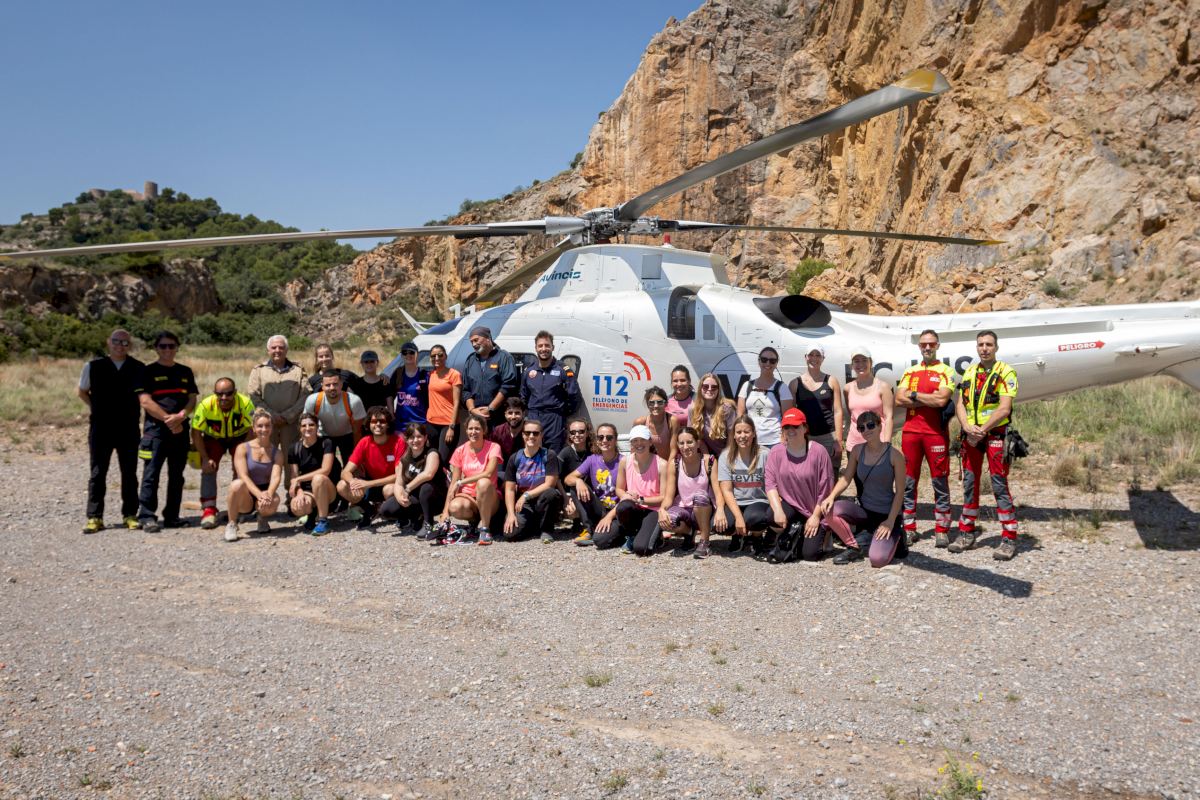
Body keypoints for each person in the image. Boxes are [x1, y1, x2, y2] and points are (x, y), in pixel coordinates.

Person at [952, 330, 1021, 561]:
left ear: (996, 348)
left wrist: (981, 430)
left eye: (989, 344)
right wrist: (966, 426)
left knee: (999, 484)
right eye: (981, 344)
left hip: (994, 435)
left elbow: (1004, 408)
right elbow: (960, 404)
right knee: (969, 483)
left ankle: (1009, 538)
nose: (984, 348)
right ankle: (966, 532)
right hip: (971, 435)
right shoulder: (970, 372)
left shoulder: (1006, 372)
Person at [818, 410, 908, 567]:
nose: (866, 430)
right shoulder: (857, 451)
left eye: (870, 425)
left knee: (877, 560)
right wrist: (831, 497)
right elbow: (846, 478)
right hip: (865, 512)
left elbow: (900, 492)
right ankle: (854, 547)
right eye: (861, 428)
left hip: (887, 514)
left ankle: (897, 535)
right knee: (829, 509)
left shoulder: (895, 455)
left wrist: (890, 521)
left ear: (880, 426)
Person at [79, 328, 146, 533]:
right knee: (98, 472)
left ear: (130, 346)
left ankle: (130, 515)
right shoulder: (92, 366)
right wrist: (96, 408)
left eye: (125, 343)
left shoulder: (139, 367)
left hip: (128, 428)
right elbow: (82, 392)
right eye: (116, 341)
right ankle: (95, 517)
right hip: (101, 428)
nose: (120, 346)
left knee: (129, 472)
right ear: (109, 342)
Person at [894, 330, 955, 546]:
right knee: (909, 482)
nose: (927, 348)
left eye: (931, 344)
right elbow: (898, 399)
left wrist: (913, 396)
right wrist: (926, 398)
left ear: (937, 345)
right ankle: (909, 528)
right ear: (919, 347)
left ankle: (942, 529)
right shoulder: (910, 371)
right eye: (923, 344)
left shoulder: (946, 371)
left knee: (940, 481)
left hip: (935, 434)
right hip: (911, 433)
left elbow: (941, 401)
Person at [136, 330, 198, 532]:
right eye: (163, 346)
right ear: (156, 348)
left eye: (171, 346)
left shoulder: (185, 371)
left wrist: (182, 416)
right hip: (156, 433)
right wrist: (169, 420)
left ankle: (172, 516)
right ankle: (146, 516)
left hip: (180, 432)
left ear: (177, 348)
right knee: (151, 474)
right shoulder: (147, 371)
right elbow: (145, 401)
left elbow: (192, 399)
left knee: (177, 476)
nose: (167, 349)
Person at [765, 408, 834, 561]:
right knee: (771, 515)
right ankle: (794, 531)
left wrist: (816, 516)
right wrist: (778, 510)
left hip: (815, 508)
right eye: (786, 427)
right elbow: (770, 484)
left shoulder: (819, 452)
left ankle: (825, 533)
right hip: (792, 505)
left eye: (795, 426)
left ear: (804, 428)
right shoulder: (776, 452)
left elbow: (826, 490)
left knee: (810, 555)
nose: (791, 430)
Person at [191, 378, 256, 529]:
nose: (224, 397)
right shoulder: (205, 405)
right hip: (214, 438)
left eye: (228, 393)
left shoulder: (246, 403)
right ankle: (209, 510)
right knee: (208, 467)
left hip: (239, 437)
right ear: (214, 393)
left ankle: (239, 508)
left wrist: (241, 454)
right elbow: (195, 432)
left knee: (241, 469)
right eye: (219, 394)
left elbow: (252, 430)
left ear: (235, 392)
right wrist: (205, 458)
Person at [337, 405, 407, 530]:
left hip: (390, 484)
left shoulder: (398, 441)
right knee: (342, 485)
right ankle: (369, 510)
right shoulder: (365, 442)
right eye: (374, 421)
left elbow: (399, 476)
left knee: (389, 489)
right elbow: (345, 472)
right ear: (369, 424)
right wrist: (352, 482)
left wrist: (368, 484)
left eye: (382, 421)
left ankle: (398, 513)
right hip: (370, 486)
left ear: (388, 424)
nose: (378, 424)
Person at [438, 416, 503, 546]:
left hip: (489, 497)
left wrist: (462, 482)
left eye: (477, 429)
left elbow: (488, 473)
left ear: (484, 430)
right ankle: (473, 523)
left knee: (483, 482)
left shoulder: (493, 447)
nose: (474, 432)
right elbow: (454, 482)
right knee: (455, 507)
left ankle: (485, 529)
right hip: (469, 497)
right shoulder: (460, 450)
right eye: (471, 428)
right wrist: (445, 512)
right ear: (466, 430)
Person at [714, 415, 774, 555]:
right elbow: (727, 491)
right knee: (722, 525)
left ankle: (756, 537)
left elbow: (772, 484)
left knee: (755, 519)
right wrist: (738, 517)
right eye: (739, 432)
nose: (742, 436)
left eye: (746, 432)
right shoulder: (726, 456)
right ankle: (738, 535)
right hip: (736, 501)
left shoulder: (765, 454)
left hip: (758, 501)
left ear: (753, 434)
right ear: (734, 435)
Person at [223, 409, 285, 542]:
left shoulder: (277, 453)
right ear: (253, 428)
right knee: (236, 484)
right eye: (260, 426)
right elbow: (243, 475)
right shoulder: (243, 448)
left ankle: (262, 518)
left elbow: (276, 477)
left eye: (267, 425)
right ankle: (232, 524)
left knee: (275, 500)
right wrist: (259, 495)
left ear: (272, 428)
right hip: (246, 494)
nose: (264, 429)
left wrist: (269, 494)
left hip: (264, 495)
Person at [378, 422, 446, 539]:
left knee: (426, 488)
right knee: (386, 510)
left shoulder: (432, 453)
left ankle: (428, 524)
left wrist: (407, 488)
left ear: (425, 437)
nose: (415, 440)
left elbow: (428, 474)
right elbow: (399, 483)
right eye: (411, 437)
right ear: (406, 439)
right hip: (415, 497)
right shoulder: (404, 458)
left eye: (419, 436)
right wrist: (400, 498)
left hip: (435, 498)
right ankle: (416, 518)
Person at [657, 427, 716, 559]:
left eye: (689, 442)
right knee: (668, 520)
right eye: (681, 443)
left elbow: (718, 492)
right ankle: (689, 533)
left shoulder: (709, 461)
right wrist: (662, 510)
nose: (685, 447)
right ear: (677, 445)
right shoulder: (675, 463)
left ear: (698, 443)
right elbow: (669, 496)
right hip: (685, 508)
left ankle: (705, 541)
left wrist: (721, 510)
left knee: (700, 496)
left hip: (704, 509)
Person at [501, 419, 562, 543]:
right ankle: (533, 525)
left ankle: (546, 529)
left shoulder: (549, 455)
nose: (531, 436)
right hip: (524, 505)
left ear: (541, 435)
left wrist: (526, 495)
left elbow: (550, 484)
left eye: (535, 433)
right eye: (528, 433)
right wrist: (511, 514)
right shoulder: (515, 458)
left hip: (542, 499)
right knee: (510, 534)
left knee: (552, 493)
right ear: (523, 435)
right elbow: (510, 489)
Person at [520, 330, 580, 452]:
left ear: (553, 347)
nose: (544, 349)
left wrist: (563, 413)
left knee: (553, 455)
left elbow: (574, 395)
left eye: (547, 345)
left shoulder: (563, 370)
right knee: (533, 453)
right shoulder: (528, 371)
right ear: (536, 348)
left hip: (554, 420)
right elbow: (523, 395)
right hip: (533, 417)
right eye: (540, 346)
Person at [247, 334, 309, 454]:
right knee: (266, 457)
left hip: (291, 423)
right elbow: (254, 396)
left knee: (290, 459)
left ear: (286, 350)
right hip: (267, 424)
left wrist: (287, 416)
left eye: (281, 347)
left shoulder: (298, 370)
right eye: (274, 347)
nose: (277, 350)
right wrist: (272, 416)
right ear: (268, 350)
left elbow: (305, 395)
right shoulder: (258, 370)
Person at [612, 425, 667, 555]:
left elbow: (664, 497)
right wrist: (626, 495)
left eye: (643, 440)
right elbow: (619, 489)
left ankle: (658, 537)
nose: (639, 443)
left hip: (653, 510)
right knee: (623, 507)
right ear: (631, 443)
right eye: (635, 440)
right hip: (634, 508)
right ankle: (631, 534)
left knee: (641, 549)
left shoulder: (662, 464)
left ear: (650, 442)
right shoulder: (625, 461)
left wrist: (640, 500)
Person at [788, 345, 844, 469]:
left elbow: (838, 411)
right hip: (805, 438)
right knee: (806, 474)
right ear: (805, 357)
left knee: (830, 476)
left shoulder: (831, 381)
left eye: (818, 355)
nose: (814, 358)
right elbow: (792, 415)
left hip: (829, 437)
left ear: (823, 358)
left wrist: (838, 440)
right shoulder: (794, 384)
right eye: (811, 355)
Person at [567, 422, 622, 547]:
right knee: (576, 487)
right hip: (600, 508)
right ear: (596, 440)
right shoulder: (592, 459)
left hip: (617, 511)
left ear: (615, 439)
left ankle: (617, 533)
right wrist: (579, 481)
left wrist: (610, 517)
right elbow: (568, 478)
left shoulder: (623, 462)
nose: (604, 441)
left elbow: (628, 497)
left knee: (600, 541)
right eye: (600, 437)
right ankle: (589, 530)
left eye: (609, 437)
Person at [286, 412, 337, 536]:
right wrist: (299, 492)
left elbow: (326, 470)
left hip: (327, 490)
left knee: (318, 478)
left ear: (317, 427)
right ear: (299, 428)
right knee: (298, 507)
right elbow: (294, 476)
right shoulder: (294, 448)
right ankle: (311, 514)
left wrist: (299, 479)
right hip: (308, 491)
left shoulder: (326, 443)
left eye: (311, 425)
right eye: (304, 426)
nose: (307, 428)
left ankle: (323, 521)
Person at [304, 369, 367, 468]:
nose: (332, 388)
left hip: (348, 435)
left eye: (335, 384)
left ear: (341, 384)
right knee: (327, 468)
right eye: (328, 385)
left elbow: (357, 431)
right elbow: (306, 425)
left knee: (352, 468)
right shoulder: (313, 400)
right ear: (322, 386)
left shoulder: (353, 401)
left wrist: (356, 454)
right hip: (325, 436)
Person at [462, 325, 519, 431]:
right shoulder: (470, 360)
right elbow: (466, 390)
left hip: (499, 418)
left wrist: (490, 409)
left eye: (476, 340)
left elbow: (508, 386)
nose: (474, 344)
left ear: (488, 338)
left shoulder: (504, 357)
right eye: (471, 342)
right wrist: (472, 409)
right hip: (477, 419)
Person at [737, 347, 794, 449]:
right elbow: (740, 415)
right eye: (764, 359)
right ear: (759, 361)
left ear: (776, 364)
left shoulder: (782, 387)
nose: (768, 363)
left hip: (775, 442)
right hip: (750, 441)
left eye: (772, 361)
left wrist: (784, 437)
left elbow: (788, 418)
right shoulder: (747, 386)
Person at [844, 347, 894, 454]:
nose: (860, 364)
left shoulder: (883, 387)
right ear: (852, 365)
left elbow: (889, 417)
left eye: (864, 360)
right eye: (856, 361)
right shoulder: (848, 388)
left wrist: (886, 444)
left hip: (878, 445)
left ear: (871, 363)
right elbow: (852, 414)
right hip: (854, 446)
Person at [425, 343, 462, 466]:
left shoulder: (454, 374)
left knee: (442, 461)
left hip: (448, 424)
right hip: (431, 423)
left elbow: (457, 402)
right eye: (433, 356)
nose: (437, 358)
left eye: (440, 355)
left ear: (446, 356)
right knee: (431, 459)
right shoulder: (430, 375)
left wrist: (452, 427)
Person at [558, 419, 594, 535]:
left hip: (591, 492)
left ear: (587, 433)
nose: (577, 435)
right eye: (573, 432)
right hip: (571, 494)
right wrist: (565, 498)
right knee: (572, 511)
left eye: (581, 431)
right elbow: (556, 478)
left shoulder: (593, 451)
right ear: (569, 435)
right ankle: (577, 522)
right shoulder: (565, 453)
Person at [689, 372, 736, 456]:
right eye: (705, 386)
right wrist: (706, 454)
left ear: (718, 390)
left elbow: (731, 437)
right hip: (703, 454)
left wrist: (725, 457)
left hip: (725, 454)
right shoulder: (693, 409)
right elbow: (692, 436)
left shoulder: (727, 408)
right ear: (700, 388)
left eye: (714, 387)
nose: (710, 389)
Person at [632, 386, 679, 461]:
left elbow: (674, 449)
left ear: (666, 404)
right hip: (645, 465)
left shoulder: (672, 421)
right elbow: (633, 448)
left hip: (667, 463)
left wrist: (668, 466)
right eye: (651, 403)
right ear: (648, 405)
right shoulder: (640, 423)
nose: (656, 406)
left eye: (660, 402)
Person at [353, 349, 396, 420]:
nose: (369, 364)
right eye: (366, 362)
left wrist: (391, 420)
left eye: (372, 361)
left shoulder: (385, 383)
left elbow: (390, 407)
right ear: (362, 364)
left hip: (380, 422)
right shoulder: (356, 384)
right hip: (363, 421)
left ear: (377, 363)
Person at [489, 397, 527, 464]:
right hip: (503, 466)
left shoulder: (530, 431)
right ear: (505, 414)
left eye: (517, 413)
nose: (513, 417)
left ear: (523, 414)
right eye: (510, 413)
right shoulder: (498, 431)